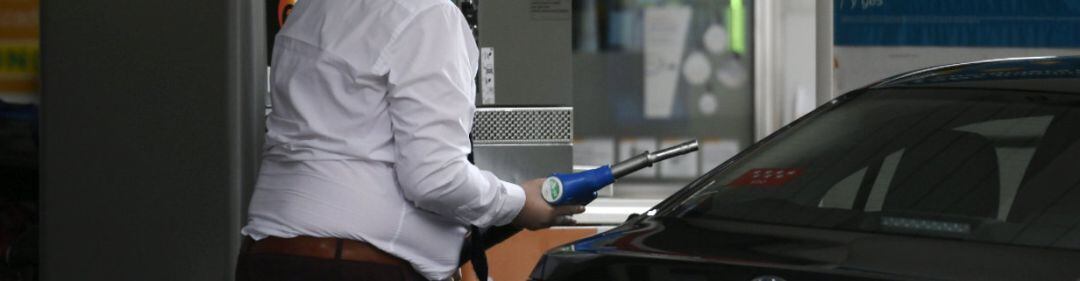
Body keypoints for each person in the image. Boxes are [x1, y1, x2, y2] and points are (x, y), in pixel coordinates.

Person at [235, 0, 585, 280]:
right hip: (357, 265)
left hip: (268, 255)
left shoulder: (313, 8)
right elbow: (435, 179)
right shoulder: (429, 14)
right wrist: (520, 203)